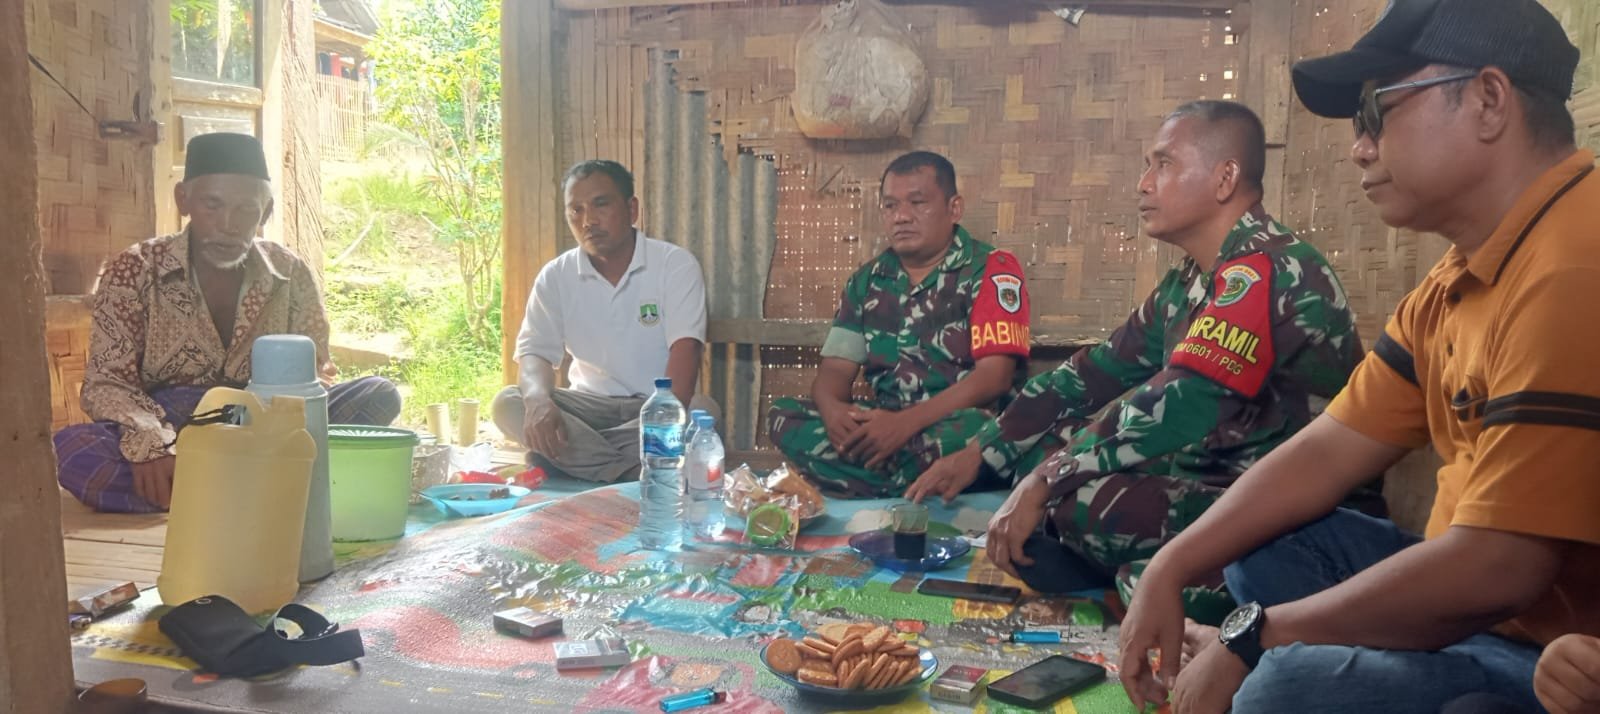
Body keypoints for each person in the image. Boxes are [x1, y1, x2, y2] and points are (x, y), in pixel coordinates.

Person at [1114, 1, 1600, 713]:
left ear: (1489, 100)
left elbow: (1503, 568)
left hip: (1560, 657)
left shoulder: (1575, 266)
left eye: (1377, 112)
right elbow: (1327, 451)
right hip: (1488, 609)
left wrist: (1253, 639)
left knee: (1278, 689)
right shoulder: (1457, 280)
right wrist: (1172, 563)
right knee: (1264, 540)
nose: (1360, 149)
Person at [908, 101, 1368, 596]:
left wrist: (1047, 481)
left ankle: (1189, 586)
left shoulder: (1267, 269)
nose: (1144, 183)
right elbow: (1090, 374)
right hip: (1216, 488)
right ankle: (1146, 574)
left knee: (1078, 499)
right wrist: (981, 451)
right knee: (1040, 450)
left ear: (1224, 178)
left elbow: (1174, 403)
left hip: (1291, 515)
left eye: (1163, 164)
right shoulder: (1189, 282)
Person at [54, 132, 401, 514]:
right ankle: (269, 487)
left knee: (377, 395)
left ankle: (202, 493)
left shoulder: (290, 274)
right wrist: (150, 443)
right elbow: (107, 383)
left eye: (246, 210)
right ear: (183, 200)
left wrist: (272, 418)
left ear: (266, 212)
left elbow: (314, 375)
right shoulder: (134, 269)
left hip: (264, 426)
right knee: (73, 451)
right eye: (212, 205)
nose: (228, 225)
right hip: (173, 429)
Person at [766, 151, 1032, 498]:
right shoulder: (866, 281)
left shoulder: (992, 269)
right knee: (784, 415)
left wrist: (905, 424)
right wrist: (834, 414)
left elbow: (994, 379)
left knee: (977, 430)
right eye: (890, 206)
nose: (902, 216)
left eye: (917, 203)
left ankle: (863, 482)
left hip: (957, 427)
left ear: (954, 209)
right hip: (887, 428)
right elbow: (833, 373)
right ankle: (904, 484)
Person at [492, 160, 714, 483]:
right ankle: (629, 472)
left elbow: (686, 351)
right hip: (587, 411)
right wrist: (538, 402)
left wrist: (663, 418)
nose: (588, 221)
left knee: (701, 413)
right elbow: (534, 353)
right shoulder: (556, 276)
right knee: (509, 402)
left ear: (631, 209)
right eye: (576, 210)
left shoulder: (674, 265)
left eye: (601, 204)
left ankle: (576, 462)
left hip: (652, 407)